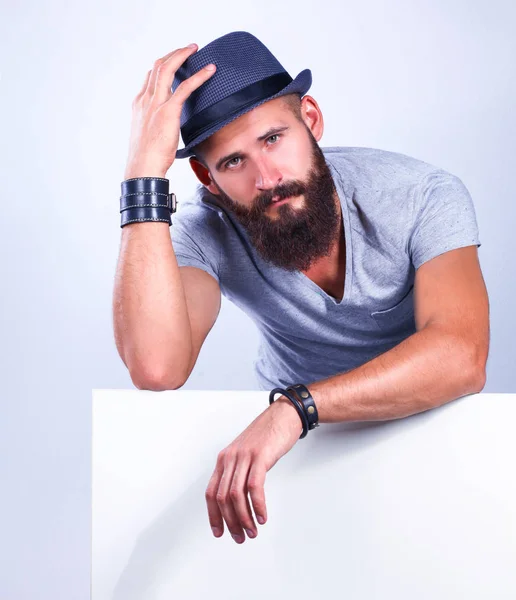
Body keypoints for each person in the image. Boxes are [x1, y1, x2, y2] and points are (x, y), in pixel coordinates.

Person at [113, 31, 490, 545]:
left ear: (310, 119)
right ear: (206, 177)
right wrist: (142, 176)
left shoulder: (421, 195)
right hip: (290, 463)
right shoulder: (207, 231)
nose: (267, 177)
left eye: (273, 138)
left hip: (423, 428)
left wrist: (295, 407)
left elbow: (461, 356)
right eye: (233, 162)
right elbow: (157, 367)